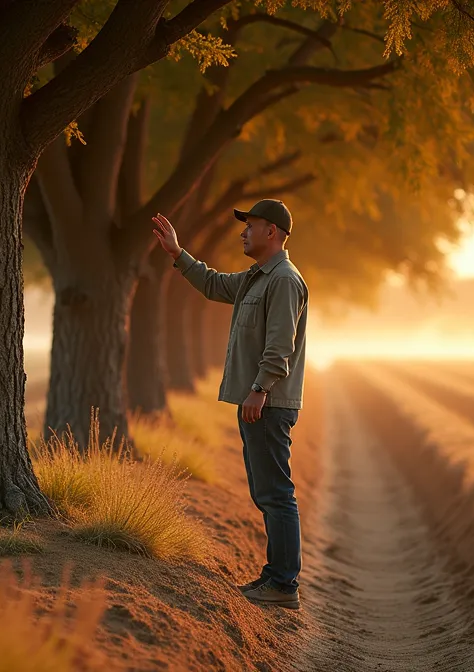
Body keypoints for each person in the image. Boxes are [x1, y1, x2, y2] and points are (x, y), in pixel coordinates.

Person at [151, 199, 309, 610]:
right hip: (259, 401)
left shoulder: (284, 280)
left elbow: (280, 346)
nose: (243, 232)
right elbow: (214, 284)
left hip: (267, 403)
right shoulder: (257, 277)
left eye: (250, 226)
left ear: (271, 232)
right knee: (267, 492)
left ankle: (282, 583)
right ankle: (277, 576)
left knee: (275, 494)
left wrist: (259, 389)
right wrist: (177, 253)